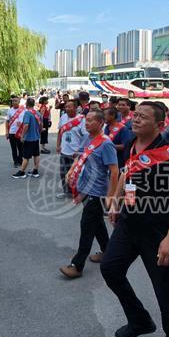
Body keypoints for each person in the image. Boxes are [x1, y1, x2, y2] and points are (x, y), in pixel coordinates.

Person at [101, 101, 169, 337]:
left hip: (159, 232)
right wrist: (116, 202)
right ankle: (140, 319)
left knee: (165, 292)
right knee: (110, 269)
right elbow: (128, 174)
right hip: (130, 224)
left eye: (143, 117)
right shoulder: (131, 143)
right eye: (134, 115)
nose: (135, 119)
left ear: (160, 124)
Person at [60, 110, 119, 278]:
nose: (87, 123)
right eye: (86, 119)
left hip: (97, 191)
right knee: (97, 223)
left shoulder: (106, 144)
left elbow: (114, 172)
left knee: (87, 227)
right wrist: (71, 171)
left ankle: (77, 265)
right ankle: (107, 251)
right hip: (85, 187)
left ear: (101, 123)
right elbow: (80, 157)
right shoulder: (87, 137)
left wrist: (110, 196)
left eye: (91, 120)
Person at [56, 100, 88, 199]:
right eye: (66, 106)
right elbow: (60, 131)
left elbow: (86, 136)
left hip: (76, 153)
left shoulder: (81, 119)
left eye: (70, 107)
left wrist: (80, 150)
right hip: (64, 150)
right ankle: (67, 192)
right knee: (63, 173)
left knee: (76, 174)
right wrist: (58, 145)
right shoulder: (63, 117)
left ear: (76, 108)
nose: (67, 108)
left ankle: (77, 193)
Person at [12, 97, 42, 179]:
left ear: (26, 104)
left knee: (26, 156)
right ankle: (35, 171)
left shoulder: (27, 113)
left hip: (29, 138)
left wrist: (22, 136)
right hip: (36, 137)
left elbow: (26, 125)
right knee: (36, 154)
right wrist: (38, 132)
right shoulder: (37, 113)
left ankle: (22, 172)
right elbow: (41, 125)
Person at [6, 95, 24, 168]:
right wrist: (7, 131)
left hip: (20, 132)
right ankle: (15, 162)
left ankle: (20, 160)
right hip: (12, 132)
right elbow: (7, 121)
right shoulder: (10, 110)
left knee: (21, 148)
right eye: (13, 101)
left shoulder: (23, 110)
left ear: (19, 101)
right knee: (13, 148)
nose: (14, 102)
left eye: (15, 101)